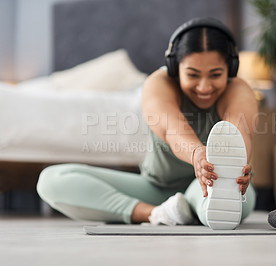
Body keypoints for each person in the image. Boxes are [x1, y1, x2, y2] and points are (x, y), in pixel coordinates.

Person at [37, 17, 258, 228]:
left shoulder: (237, 90)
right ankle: (157, 213)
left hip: (209, 185)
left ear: (230, 69)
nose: (204, 86)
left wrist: (238, 165)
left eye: (215, 74)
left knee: (240, 198)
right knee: (52, 179)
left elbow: (239, 133)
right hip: (156, 188)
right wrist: (197, 154)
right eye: (193, 75)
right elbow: (173, 129)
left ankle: (196, 208)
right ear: (174, 67)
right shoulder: (159, 83)